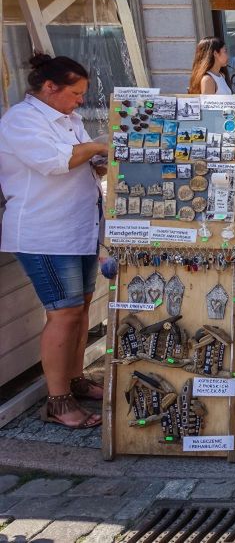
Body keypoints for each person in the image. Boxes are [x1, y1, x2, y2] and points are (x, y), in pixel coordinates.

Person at [0, 54, 107, 429]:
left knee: (81, 309)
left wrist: (97, 160)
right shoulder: (20, 121)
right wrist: (97, 147)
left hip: (77, 230)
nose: (80, 100)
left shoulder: (69, 119)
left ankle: (74, 378)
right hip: (45, 233)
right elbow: (55, 162)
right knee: (62, 313)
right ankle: (57, 401)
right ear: (50, 87)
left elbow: (78, 161)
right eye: (75, 93)